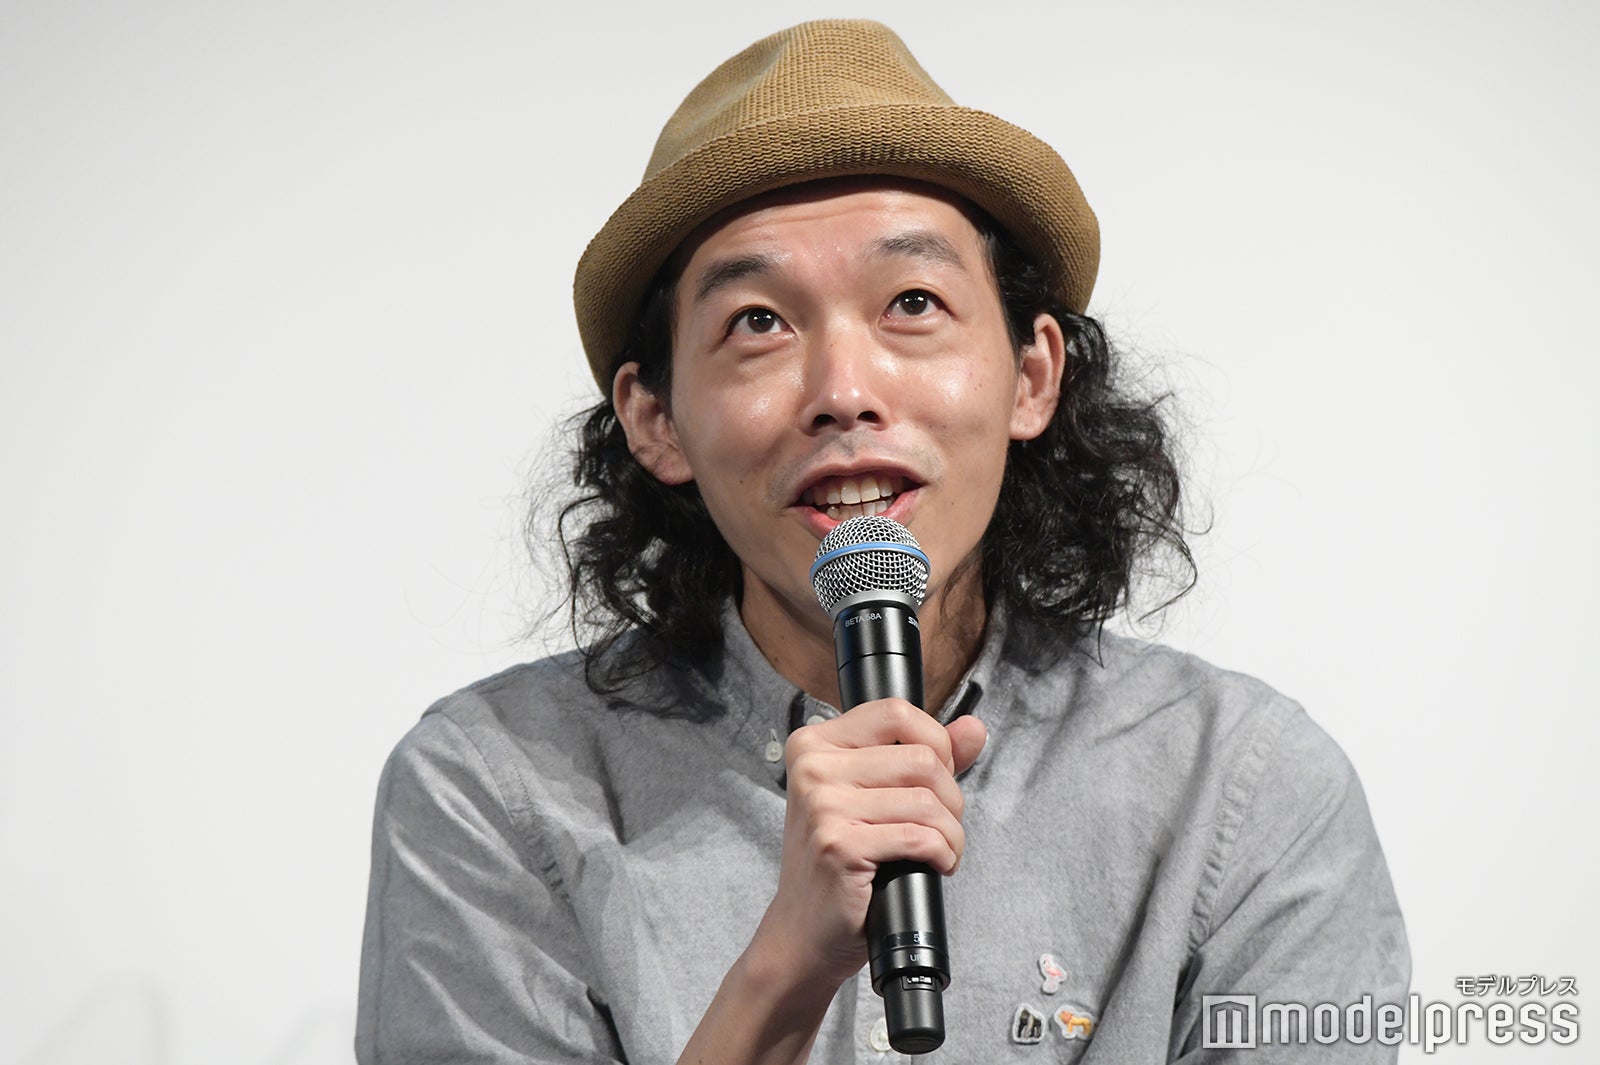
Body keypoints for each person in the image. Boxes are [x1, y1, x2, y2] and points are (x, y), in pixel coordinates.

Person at [356, 19, 1408, 1063]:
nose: (843, 391)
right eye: (758, 322)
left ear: (1032, 376)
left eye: (912, 302)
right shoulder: (492, 790)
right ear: (656, 419)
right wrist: (782, 973)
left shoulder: (1243, 787)